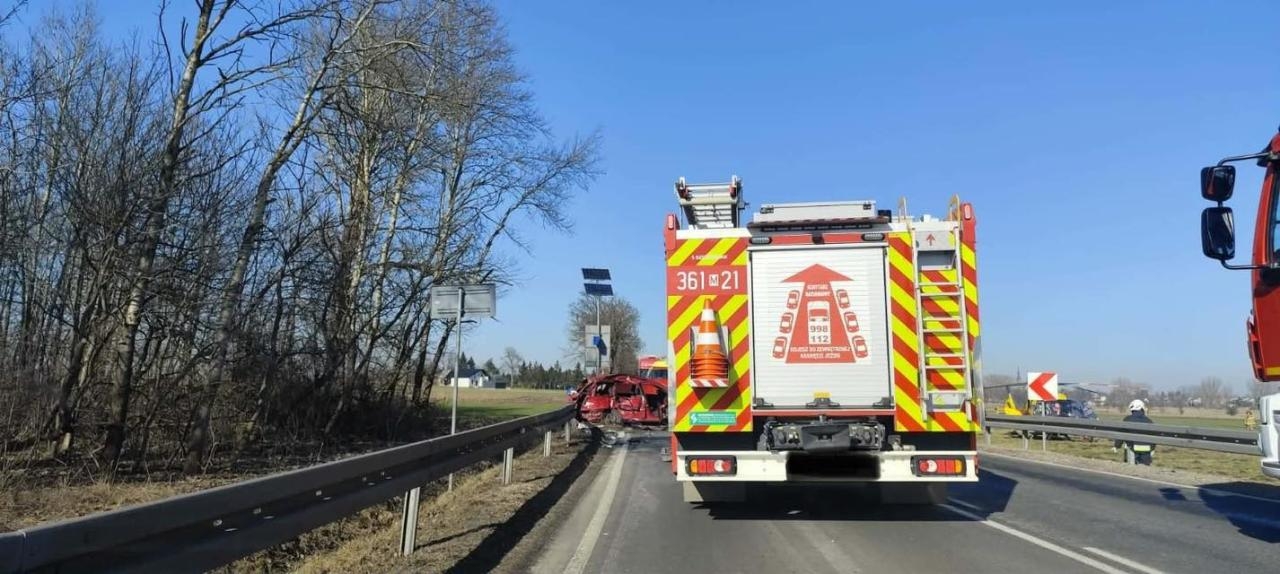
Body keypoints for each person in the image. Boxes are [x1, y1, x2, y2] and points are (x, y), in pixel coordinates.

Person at [1114, 399, 1155, 465]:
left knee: (1131, 468)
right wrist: (1152, 449)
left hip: (1132, 449)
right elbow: (1154, 436)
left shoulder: (1127, 419)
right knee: (1145, 470)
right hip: (1146, 451)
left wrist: (1117, 446)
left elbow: (1121, 434)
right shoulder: (1149, 421)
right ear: (1142, 408)